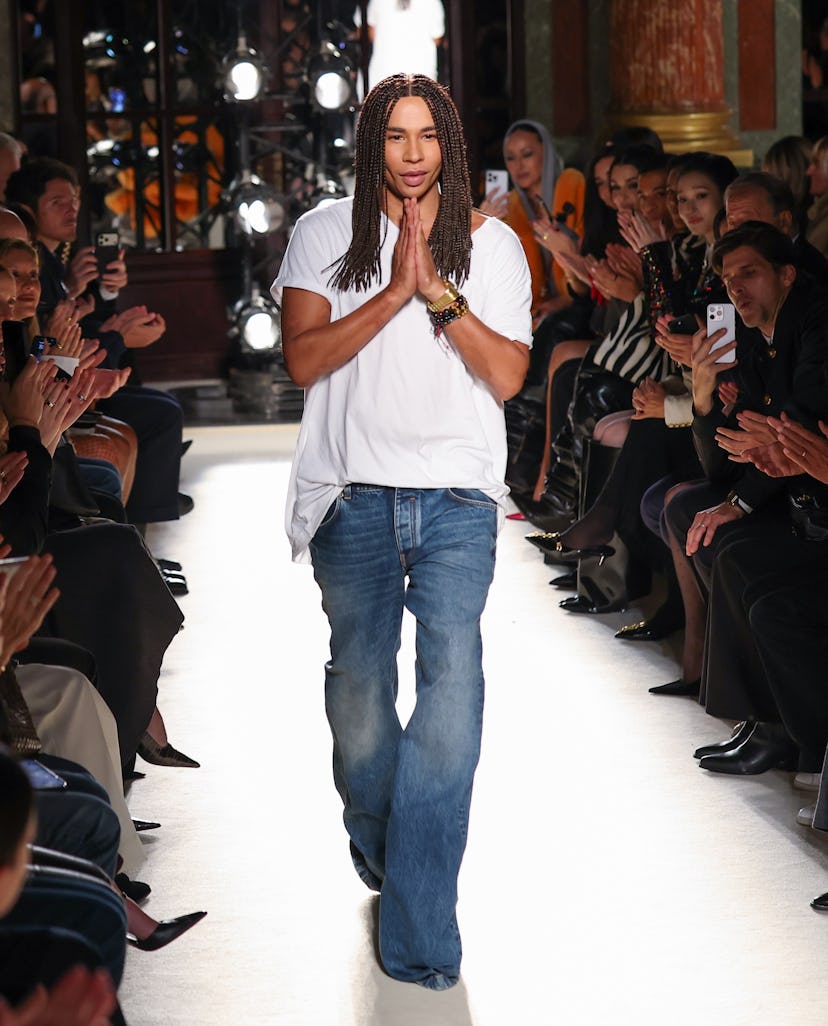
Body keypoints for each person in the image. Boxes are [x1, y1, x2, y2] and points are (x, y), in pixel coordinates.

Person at [273, 73, 531, 989]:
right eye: (395, 136)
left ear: (450, 145)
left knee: (452, 689)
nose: (413, 153)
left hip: (457, 501)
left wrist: (439, 297)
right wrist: (390, 293)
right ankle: (386, 846)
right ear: (370, 145)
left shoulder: (493, 247)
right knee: (360, 702)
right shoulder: (321, 235)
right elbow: (303, 359)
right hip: (354, 497)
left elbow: (505, 378)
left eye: (428, 136)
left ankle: (421, 929)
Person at [357, 0, 445, 89]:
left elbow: (368, 33)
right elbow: (437, 39)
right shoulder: (433, 2)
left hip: (382, 79)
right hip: (421, 79)